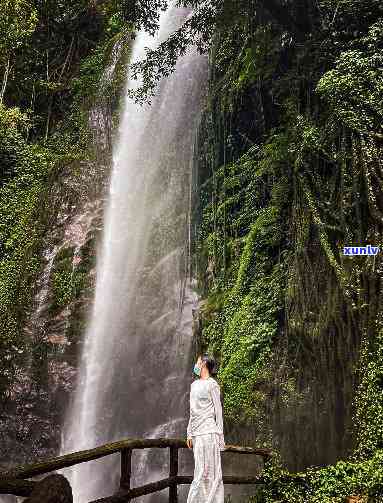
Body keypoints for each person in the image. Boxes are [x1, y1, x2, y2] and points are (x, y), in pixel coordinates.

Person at [186, 353, 225, 503]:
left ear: (203, 363)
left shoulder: (212, 384)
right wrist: (189, 433)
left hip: (209, 432)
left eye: (197, 362)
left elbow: (218, 411)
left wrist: (221, 438)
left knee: (211, 473)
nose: (195, 365)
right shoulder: (194, 385)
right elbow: (192, 411)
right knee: (200, 472)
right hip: (197, 434)